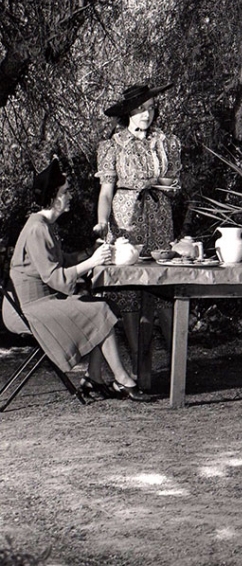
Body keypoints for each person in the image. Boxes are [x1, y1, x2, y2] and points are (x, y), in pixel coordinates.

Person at [4, 159, 151, 401]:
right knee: (99, 309)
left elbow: (60, 261)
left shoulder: (45, 225)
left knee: (105, 306)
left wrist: (87, 253)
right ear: (53, 197)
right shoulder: (38, 228)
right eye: (66, 192)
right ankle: (124, 380)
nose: (70, 196)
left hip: (41, 302)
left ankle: (94, 377)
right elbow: (55, 278)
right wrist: (92, 262)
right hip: (26, 310)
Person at [94, 81, 181, 367]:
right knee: (130, 291)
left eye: (150, 108)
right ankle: (139, 362)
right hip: (126, 217)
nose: (146, 114)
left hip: (159, 215)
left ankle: (177, 363)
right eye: (140, 109)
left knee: (166, 284)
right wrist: (103, 224)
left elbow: (172, 181)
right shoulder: (112, 146)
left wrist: (158, 183)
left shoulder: (165, 142)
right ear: (128, 112)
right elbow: (106, 191)